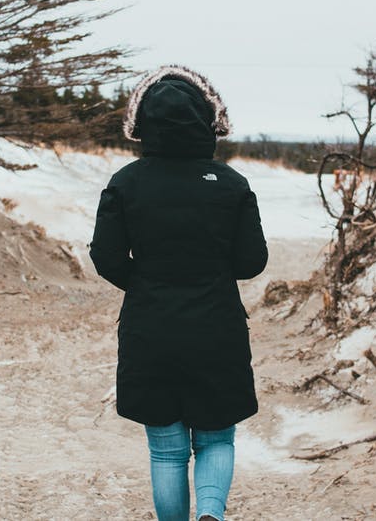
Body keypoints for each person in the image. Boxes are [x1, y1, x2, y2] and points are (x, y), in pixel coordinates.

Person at [89, 65, 268, 521]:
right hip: (217, 328)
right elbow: (251, 263)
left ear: (142, 123)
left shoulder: (125, 183)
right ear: (209, 122)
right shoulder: (231, 184)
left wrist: (149, 283)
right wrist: (206, 275)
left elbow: (106, 257)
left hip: (150, 329)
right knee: (216, 440)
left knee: (168, 452)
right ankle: (211, 513)